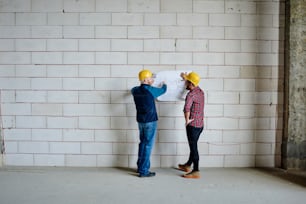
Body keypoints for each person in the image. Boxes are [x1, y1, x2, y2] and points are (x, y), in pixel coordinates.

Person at [131, 69, 167, 177]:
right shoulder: (151, 90)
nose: (152, 79)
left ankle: (140, 167)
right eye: (151, 78)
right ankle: (144, 171)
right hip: (150, 122)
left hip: (141, 121)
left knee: (142, 144)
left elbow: (133, 89)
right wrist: (164, 83)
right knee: (147, 146)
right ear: (145, 79)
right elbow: (163, 90)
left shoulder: (135, 90)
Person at [178, 71, 204, 179]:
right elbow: (192, 82)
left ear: (191, 84)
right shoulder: (200, 91)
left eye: (187, 82)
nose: (185, 84)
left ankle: (196, 170)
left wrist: (187, 120)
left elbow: (186, 109)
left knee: (193, 148)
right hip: (200, 125)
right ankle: (188, 165)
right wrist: (186, 78)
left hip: (193, 126)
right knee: (193, 146)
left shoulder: (190, 95)